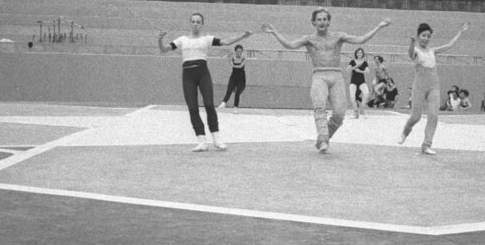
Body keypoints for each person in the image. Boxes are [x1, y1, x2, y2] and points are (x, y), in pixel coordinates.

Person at [263, 9, 391, 153]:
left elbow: (360, 40)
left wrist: (379, 27)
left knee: (340, 113)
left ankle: (324, 137)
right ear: (313, 22)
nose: (322, 22)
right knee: (319, 107)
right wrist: (275, 33)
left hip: (336, 76)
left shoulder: (338, 36)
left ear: (329, 21)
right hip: (319, 75)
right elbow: (290, 45)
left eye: (324, 19)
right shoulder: (309, 39)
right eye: (319, 19)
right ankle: (323, 138)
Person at [159, 13, 252, 152]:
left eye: (198, 21)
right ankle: (201, 140)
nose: (195, 24)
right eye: (193, 21)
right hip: (188, 76)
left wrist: (242, 36)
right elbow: (163, 50)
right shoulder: (182, 40)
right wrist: (160, 39)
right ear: (190, 23)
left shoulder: (207, 39)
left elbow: (226, 42)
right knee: (193, 108)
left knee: (209, 104)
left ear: (202, 24)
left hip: (203, 73)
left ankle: (216, 139)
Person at [398, 22, 469, 155]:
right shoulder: (416, 51)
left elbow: (449, 45)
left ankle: (426, 145)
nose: (426, 38)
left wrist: (460, 32)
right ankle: (405, 131)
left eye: (428, 36)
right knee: (415, 117)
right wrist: (412, 43)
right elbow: (410, 53)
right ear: (419, 36)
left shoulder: (432, 51)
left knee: (433, 116)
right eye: (423, 35)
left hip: (434, 87)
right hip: (419, 87)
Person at [219, 44, 247, 109]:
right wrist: (229, 55)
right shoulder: (233, 57)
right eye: (237, 51)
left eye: (240, 51)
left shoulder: (244, 57)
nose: (239, 53)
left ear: (242, 52)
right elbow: (228, 61)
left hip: (241, 78)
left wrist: (233, 64)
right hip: (233, 77)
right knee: (229, 90)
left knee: (238, 92)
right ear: (235, 51)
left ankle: (235, 107)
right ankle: (223, 103)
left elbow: (240, 66)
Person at [347, 48, 371, 119]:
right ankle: (355, 112)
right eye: (358, 52)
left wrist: (359, 71)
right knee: (352, 97)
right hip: (353, 81)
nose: (359, 54)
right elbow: (348, 69)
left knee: (366, 93)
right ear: (356, 53)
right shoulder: (352, 61)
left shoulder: (365, 62)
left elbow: (367, 71)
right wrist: (355, 66)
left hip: (361, 81)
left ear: (363, 54)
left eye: (361, 52)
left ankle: (362, 107)